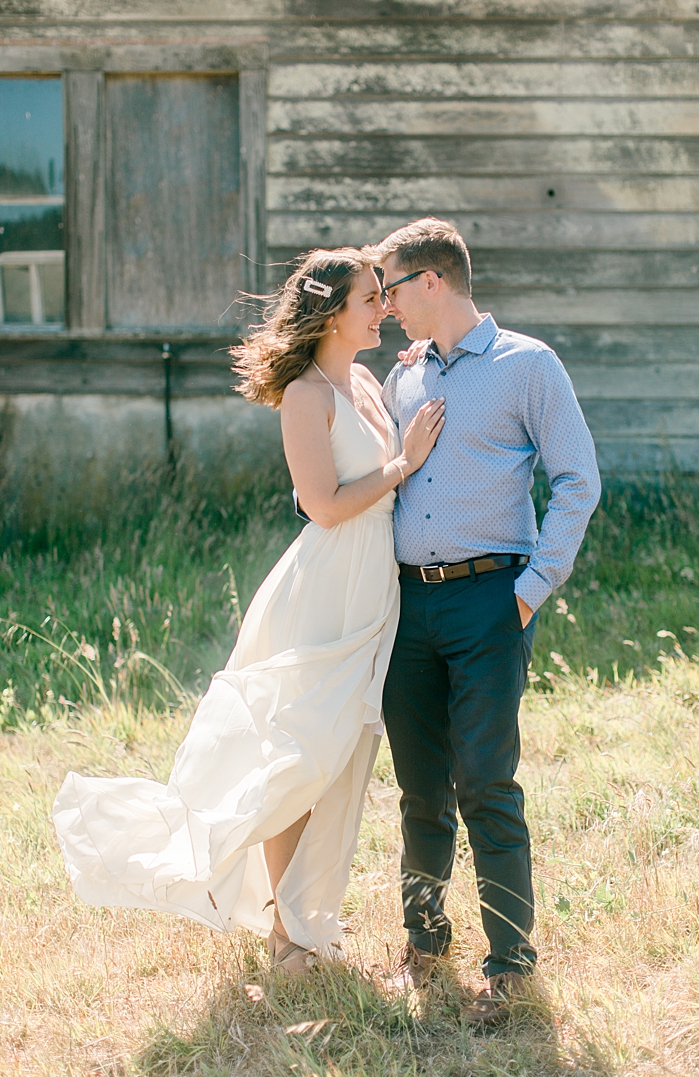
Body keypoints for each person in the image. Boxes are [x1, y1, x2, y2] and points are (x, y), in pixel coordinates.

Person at [52, 249, 445, 972]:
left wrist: (420, 360)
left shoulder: (361, 378)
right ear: (332, 314)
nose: (384, 309)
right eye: (370, 299)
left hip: (372, 593)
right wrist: (401, 467)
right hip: (323, 591)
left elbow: (389, 431)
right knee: (298, 759)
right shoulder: (305, 394)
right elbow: (323, 506)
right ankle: (287, 931)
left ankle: (303, 917)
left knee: (340, 762)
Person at [366, 218, 601, 1025]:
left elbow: (578, 479)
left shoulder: (528, 365)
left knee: (487, 784)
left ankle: (509, 964)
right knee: (418, 789)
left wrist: (530, 591)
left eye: (391, 287)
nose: (386, 304)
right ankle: (423, 947)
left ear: (432, 281)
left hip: (490, 601)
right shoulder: (404, 379)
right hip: (409, 605)